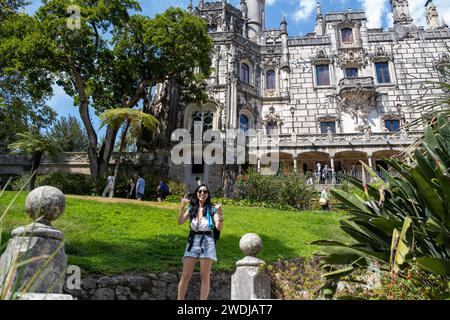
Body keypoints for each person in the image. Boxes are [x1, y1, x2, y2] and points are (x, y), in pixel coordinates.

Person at [177, 184, 223, 300]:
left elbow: (218, 227)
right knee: (185, 275)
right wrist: (182, 207)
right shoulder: (192, 208)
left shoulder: (212, 209)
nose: (202, 193)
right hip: (193, 241)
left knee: (204, 276)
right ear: (197, 194)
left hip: (207, 242)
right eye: (200, 191)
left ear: (208, 195)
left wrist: (220, 213)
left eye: (205, 192)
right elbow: (180, 221)